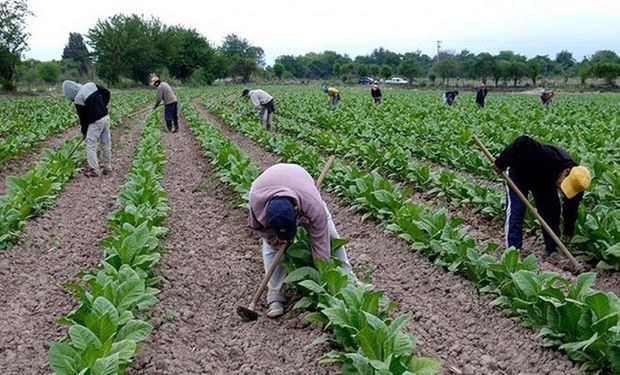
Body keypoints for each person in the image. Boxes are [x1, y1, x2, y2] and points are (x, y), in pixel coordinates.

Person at [248, 163, 354, 318]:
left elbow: (320, 242)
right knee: (271, 248)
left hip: (301, 185)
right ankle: (275, 295)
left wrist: (323, 276)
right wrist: (274, 238)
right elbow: (257, 227)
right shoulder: (256, 200)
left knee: (331, 237)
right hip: (268, 187)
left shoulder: (312, 204)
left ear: (297, 212)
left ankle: (349, 280)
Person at [493, 135, 591, 256]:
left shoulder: (578, 183)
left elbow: (571, 208)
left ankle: (552, 249)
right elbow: (523, 141)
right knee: (517, 209)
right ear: (566, 172)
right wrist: (501, 162)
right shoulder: (546, 155)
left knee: (551, 211)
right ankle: (513, 251)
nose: (561, 188)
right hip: (520, 172)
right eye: (563, 184)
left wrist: (568, 231)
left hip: (544, 180)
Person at [62, 80, 111, 178]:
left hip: (95, 122)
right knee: (106, 142)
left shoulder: (78, 98)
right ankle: (108, 167)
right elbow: (106, 92)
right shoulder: (91, 85)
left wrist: (84, 132)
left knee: (90, 144)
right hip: (105, 117)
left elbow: (83, 119)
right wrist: (103, 106)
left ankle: (94, 170)